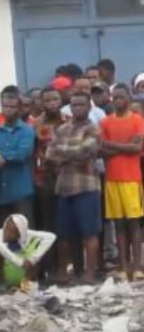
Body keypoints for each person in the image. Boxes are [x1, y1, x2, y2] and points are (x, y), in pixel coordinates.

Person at [46, 92, 102, 284]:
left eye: (81, 105)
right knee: (63, 234)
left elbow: (86, 152)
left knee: (89, 233)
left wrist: (64, 154)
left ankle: (90, 274)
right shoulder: (62, 129)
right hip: (64, 187)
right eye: (74, 105)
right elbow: (50, 155)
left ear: (89, 107)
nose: (77, 108)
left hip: (86, 187)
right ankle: (63, 272)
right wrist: (73, 156)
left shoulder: (93, 129)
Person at [100, 84, 144, 281]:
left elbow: (137, 148)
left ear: (129, 97)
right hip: (112, 179)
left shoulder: (137, 119)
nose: (118, 100)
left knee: (134, 224)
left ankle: (136, 266)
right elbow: (102, 150)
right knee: (118, 224)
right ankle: (122, 266)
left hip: (131, 179)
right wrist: (124, 146)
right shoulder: (105, 122)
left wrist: (113, 145)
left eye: (121, 96)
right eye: (115, 97)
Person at [32, 87, 66, 282]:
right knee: (46, 226)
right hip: (44, 180)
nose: (52, 103)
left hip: (65, 178)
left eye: (55, 99)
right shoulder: (36, 124)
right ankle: (47, 268)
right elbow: (34, 153)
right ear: (42, 103)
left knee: (65, 226)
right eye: (48, 100)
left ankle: (65, 269)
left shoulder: (68, 121)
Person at [0, 93, 35, 224]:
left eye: (12, 106)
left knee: (24, 231)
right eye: (5, 106)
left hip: (20, 191)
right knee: (3, 235)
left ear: (19, 109)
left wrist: (4, 157)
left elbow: (22, 153)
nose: (8, 109)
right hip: (2, 193)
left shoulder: (27, 130)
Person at [0, 215, 55, 290]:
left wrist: (33, 259)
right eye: (6, 229)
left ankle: (26, 288)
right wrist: (19, 262)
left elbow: (51, 237)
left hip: (22, 272)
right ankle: (3, 287)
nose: (7, 233)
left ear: (20, 233)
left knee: (34, 258)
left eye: (11, 231)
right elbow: (2, 249)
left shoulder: (26, 235)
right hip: (7, 272)